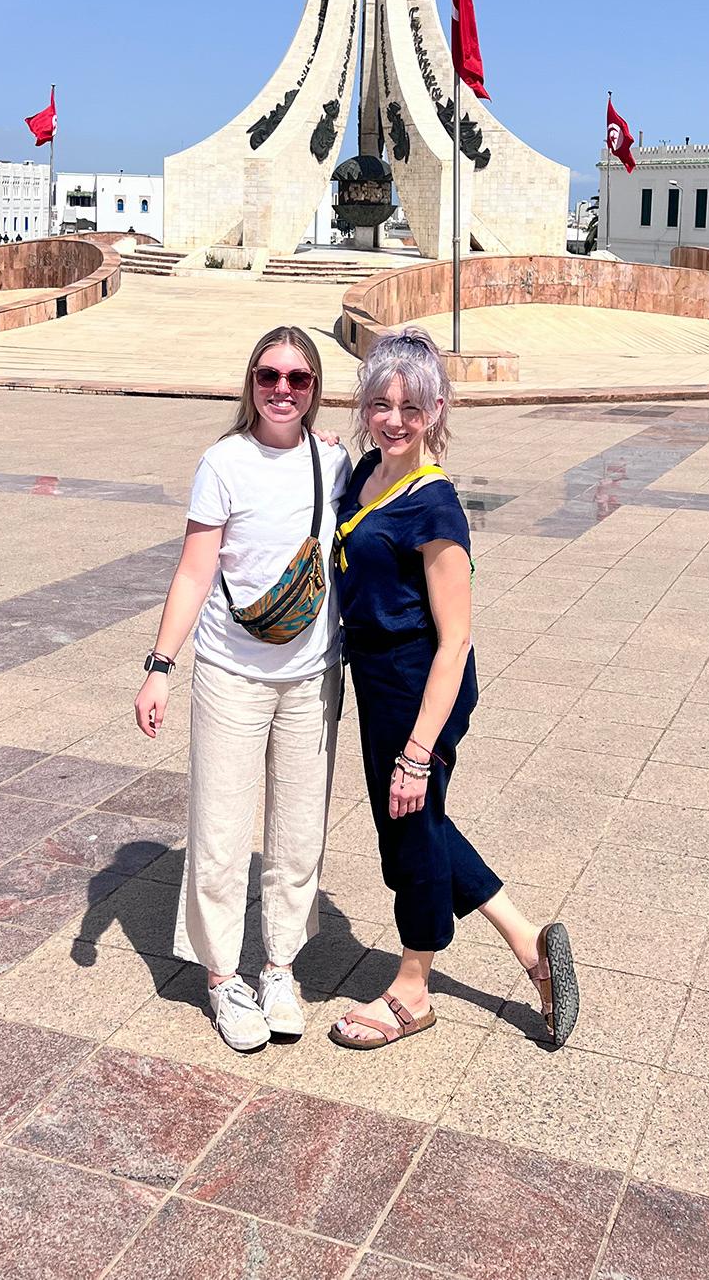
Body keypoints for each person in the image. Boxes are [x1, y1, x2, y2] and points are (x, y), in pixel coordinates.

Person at [329, 327, 578, 1050]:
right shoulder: (365, 475)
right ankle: (529, 944)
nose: (396, 420)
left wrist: (416, 750)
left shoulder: (433, 505)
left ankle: (413, 987)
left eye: (413, 406)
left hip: (419, 681)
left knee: (408, 827)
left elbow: (456, 638)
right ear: (364, 407)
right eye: (382, 403)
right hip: (376, 679)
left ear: (437, 410)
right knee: (421, 822)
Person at [134, 326, 350, 1053]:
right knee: (221, 836)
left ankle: (279, 968)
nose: (282, 390)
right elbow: (195, 570)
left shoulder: (335, 462)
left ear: (316, 389)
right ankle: (223, 979)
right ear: (249, 382)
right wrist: (160, 667)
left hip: (313, 677)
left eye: (298, 379)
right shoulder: (223, 462)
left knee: (297, 837)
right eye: (269, 376)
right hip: (230, 675)